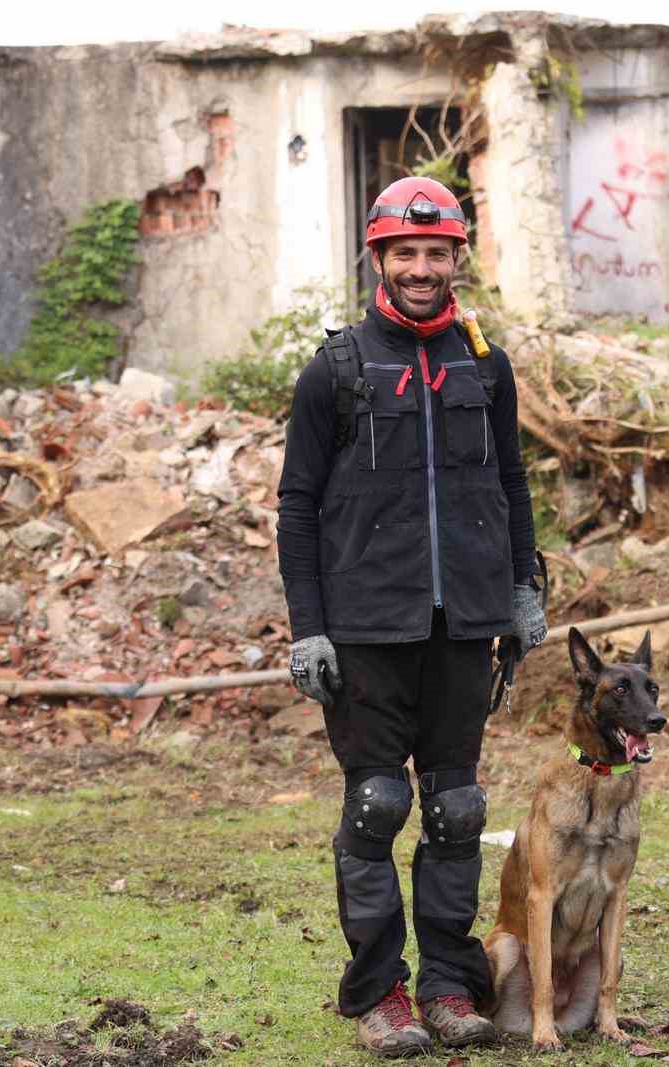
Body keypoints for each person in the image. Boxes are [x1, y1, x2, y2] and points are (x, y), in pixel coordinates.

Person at [275, 175, 546, 1058]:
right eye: (406, 254)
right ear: (380, 258)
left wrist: (520, 588)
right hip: (364, 627)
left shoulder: (485, 364)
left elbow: (509, 482)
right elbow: (298, 505)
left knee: (458, 808)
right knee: (377, 803)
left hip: (464, 624)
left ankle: (447, 986)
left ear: (456, 258)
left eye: (437, 253)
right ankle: (378, 995)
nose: (422, 268)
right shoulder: (338, 369)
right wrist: (308, 623)